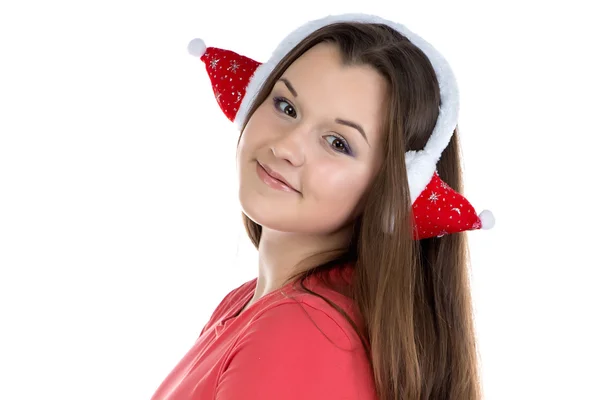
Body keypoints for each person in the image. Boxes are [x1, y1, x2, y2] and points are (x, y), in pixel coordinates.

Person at [151, 13, 494, 400]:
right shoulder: (248, 304)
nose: (286, 147)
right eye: (286, 106)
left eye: (337, 143)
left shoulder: (299, 328)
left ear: (392, 191)